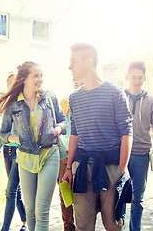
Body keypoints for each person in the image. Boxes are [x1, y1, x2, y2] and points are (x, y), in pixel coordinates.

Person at [62, 43, 133, 231]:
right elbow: (74, 134)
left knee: (112, 225)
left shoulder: (115, 93)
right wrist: (69, 167)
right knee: (83, 226)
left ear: (89, 61)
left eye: (73, 62)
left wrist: (121, 170)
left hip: (111, 167)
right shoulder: (74, 98)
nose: (70, 66)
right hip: (83, 169)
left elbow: (127, 132)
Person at [0, 61, 67, 231]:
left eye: (41, 76)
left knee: (41, 210)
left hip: (49, 154)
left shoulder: (49, 97)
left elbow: (63, 121)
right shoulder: (13, 104)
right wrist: (16, 138)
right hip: (25, 158)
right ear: (24, 79)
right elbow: (3, 134)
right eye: (36, 76)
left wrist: (57, 129)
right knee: (30, 211)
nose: (40, 80)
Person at [122, 61, 153, 231]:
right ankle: (119, 227)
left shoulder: (152, 102)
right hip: (121, 154)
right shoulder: (119, 97)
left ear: (144, 79)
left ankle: (135, 229)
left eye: (140, 78)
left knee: (138, 198)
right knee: (120, 196)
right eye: (133, 77)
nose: (136, 81)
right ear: (127, 77)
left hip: (141, 154)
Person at [0, 71, 27, 231]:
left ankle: (5, 228)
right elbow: (3, 131)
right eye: (9, 84)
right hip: (7, 151)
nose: (11, 86)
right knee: (15, 190)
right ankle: (25, 222)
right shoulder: (8, 106)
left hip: (20, 152)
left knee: (10, 190)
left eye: (14, 83)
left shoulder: (24, 103)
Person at [58, 78, 83, 231]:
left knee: (81, 194)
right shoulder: (64, 103)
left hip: (82, 155)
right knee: (64, 194)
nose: (78, 87)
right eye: (75, 84)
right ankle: (68, 226)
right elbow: (60, 126)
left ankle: (82, 225)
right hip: (64, 154)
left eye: (81, 84)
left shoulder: (91, 105)